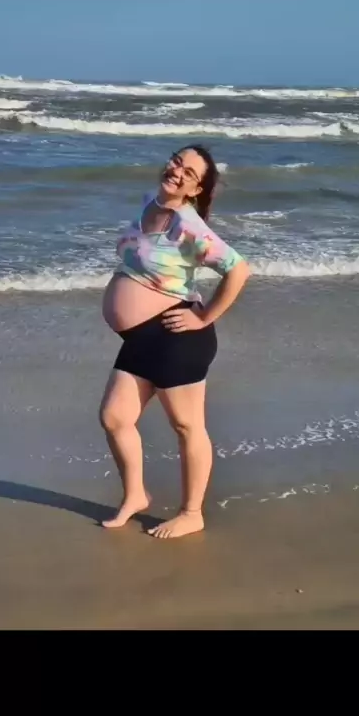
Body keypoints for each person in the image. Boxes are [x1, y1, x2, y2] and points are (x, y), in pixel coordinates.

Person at [99, 144, 250, 539]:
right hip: (140, 340)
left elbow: (238, 270)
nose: (177, 172)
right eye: (177, 162)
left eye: (189, 173)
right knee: (115, 418)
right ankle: (135, 495)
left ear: (196, 189)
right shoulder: (148, 202)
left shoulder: (188, 226)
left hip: (176, 339)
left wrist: (204, 316)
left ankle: (191, 512)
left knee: (187, 427)